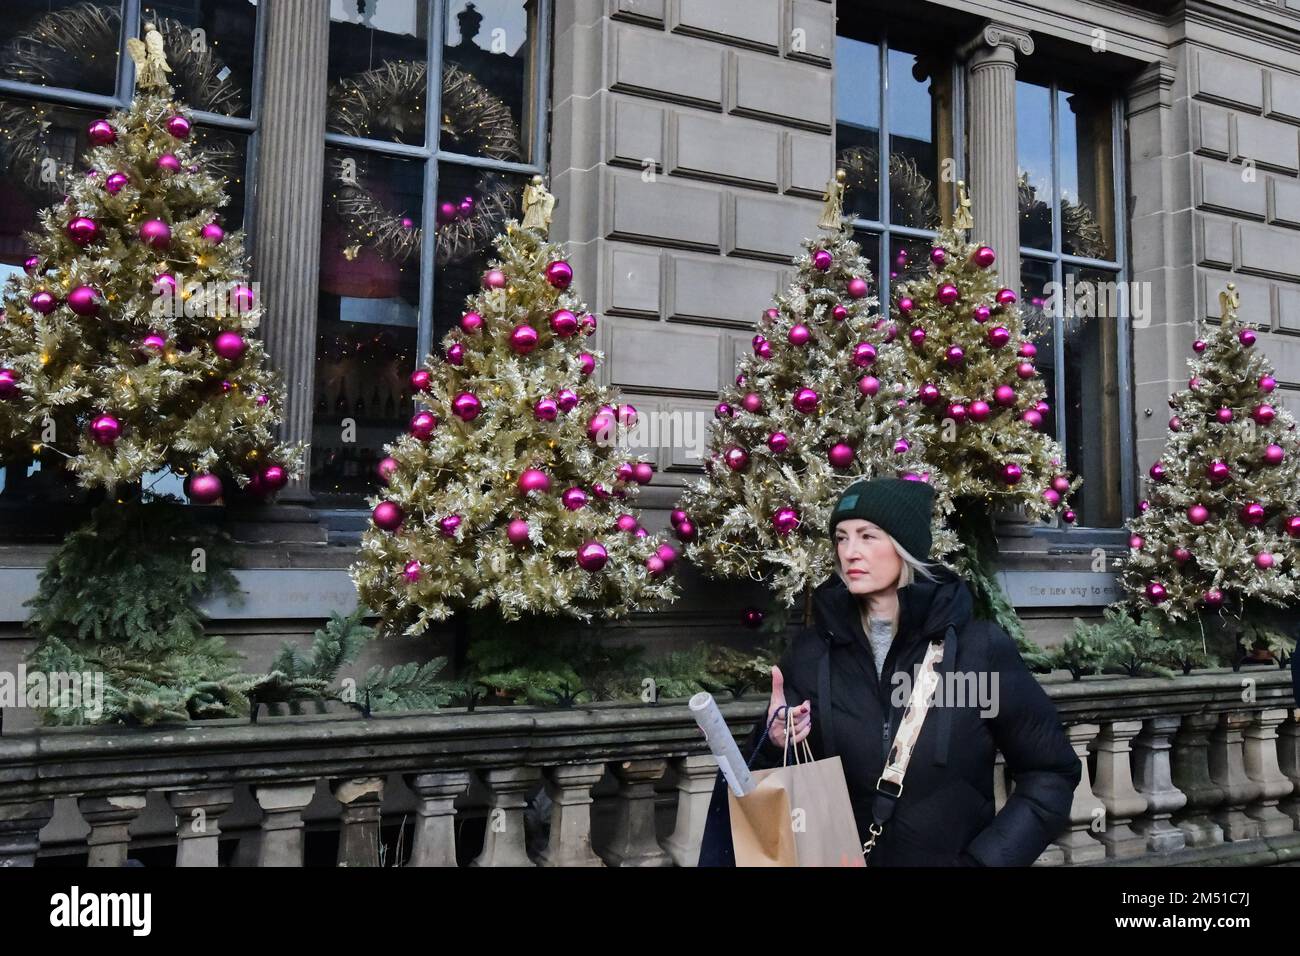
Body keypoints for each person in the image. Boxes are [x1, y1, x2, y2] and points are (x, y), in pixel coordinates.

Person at [697, 476, 1081, 866]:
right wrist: (774, 742)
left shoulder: (978, 651)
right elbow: (765, 790)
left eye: (868, 536)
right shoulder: (813, 652)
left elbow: (1050, 772)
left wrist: (984, 862)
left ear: (905, 548)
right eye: (842, 538)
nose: (850, 552)